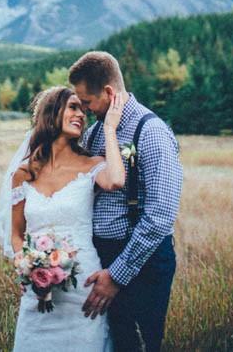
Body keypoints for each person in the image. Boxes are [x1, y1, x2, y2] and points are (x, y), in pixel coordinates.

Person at [0, 85, 126, 351]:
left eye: (83, 109)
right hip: (39, 292)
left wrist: (110, 128)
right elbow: (17, 235)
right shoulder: (24, 173)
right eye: (73, 107)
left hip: (83, 290)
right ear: (52, 113)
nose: (81, 115)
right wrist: (28, 269)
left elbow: (116, 179)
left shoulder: (91, 165)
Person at [69, 51, 183, 352]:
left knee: (140, 345)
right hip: (101, 258)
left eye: (88, 103)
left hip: (142, 262)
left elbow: (160, 216)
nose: (84, 110)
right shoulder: (95, 134)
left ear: (108, 92)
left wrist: (117, 275)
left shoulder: (152, 132)